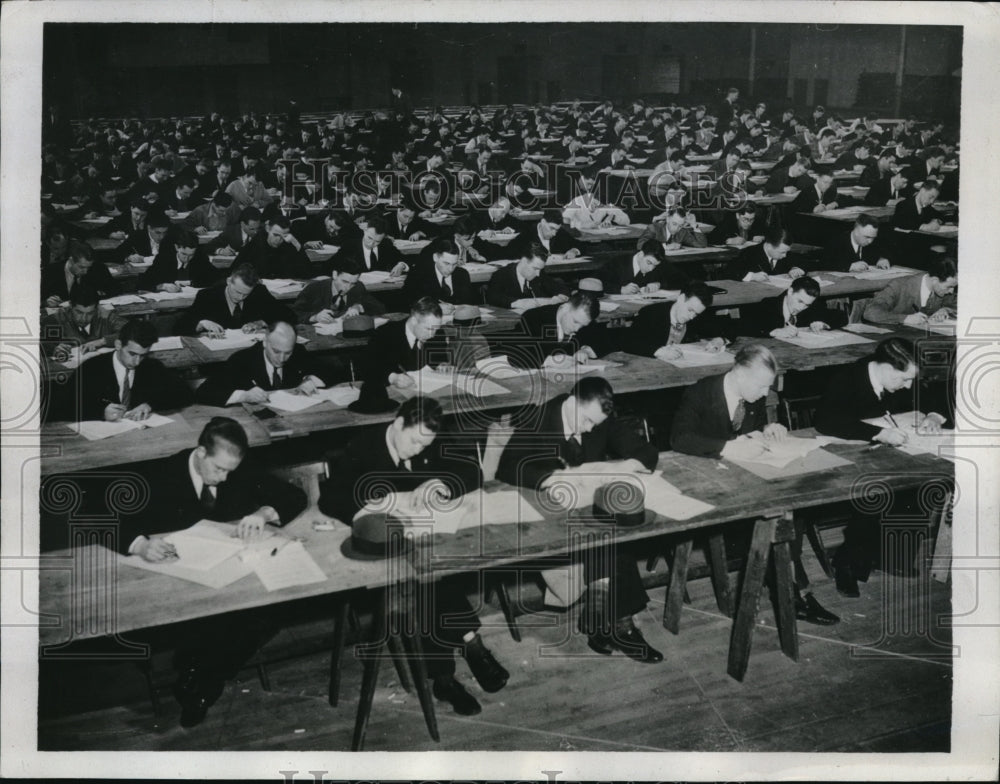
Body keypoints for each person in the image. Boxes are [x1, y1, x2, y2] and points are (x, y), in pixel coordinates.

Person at [318, 396, 508, 715]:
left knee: (429, 574)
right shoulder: (363, 447)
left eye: (425, 444)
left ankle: (447, 676)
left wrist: (442, 482)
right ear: (397, 425)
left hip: (422, 540)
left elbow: (471, 472)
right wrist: (381, 504)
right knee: (428, 578)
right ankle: (466, 647)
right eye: (414, 441)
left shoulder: (430, 438)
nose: (419, 449)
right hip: (380, 550)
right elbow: (331, 499)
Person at [118, 417, 307, 726]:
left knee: (271, 613)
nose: (223, 478)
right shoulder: (162, 473)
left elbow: (294, 496)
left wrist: (263, 513)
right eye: (219, 470)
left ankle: (200, 678)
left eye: (230, 471)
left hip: (225, 578)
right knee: (225, 626)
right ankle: (202, 677)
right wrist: (139, 544)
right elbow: (109, 517)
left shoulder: (234, 468)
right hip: (176, 581)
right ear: (201, 453)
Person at [669, 344, 839, 626]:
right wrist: (729, 448)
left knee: (791, 508)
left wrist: (767, 430)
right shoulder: (701, 392)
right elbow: (680, 438)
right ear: (740, 374)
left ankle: (792, 585)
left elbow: (753, 427)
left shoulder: (754, 394)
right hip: (709, 482)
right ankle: (793, 590)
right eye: (762, 386)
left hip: (746, 475)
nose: (764, 394)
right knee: (777, 519)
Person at [496, 376, 664, 663]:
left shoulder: (598, 417)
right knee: (605, 530)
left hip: (586, 511)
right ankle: (617, 622)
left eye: (594, 425)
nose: (589, 429)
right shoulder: (539, 418)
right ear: (572, 402)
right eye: (586, 421)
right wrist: (551, 478)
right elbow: (507, 468)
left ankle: (606, 614)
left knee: (609, 525)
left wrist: (628, 465)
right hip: (546, 512)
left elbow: (647, 452)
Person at [813, 338, 948, 597]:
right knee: (876, 491)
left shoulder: (900, 374)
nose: (909, 385)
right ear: (887, 368)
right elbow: (826, 421)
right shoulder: (847, 378)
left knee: (920, 481)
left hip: (890, 451)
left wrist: (933, 415)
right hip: (849, 452)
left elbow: (933, 394)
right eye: (904, 380)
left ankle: (892, 557)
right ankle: (848, 563)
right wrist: (878, 433)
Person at [50, 318, 191, 423]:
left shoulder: (151, 367)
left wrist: (150, 404)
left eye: (143, 355)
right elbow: (63, 406)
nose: (136, 362)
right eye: (132, 354)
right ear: (118, 345)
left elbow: (184, 392)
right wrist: (100, 411)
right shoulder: (92, 368)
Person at [350, 296, 451, 413]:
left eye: (436, 329)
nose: (433, 334)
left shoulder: (437, 333)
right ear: (413, 320)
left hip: (430, 396)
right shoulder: (386, 334)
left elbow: (439, 358)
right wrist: (392, 377)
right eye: (428, 329)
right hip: (393, 399)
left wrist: (442, 365)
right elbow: (367, 367)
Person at [196, 321, 326, 407]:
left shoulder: (298, 353)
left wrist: (311, 380)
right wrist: (243, 396)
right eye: (276, 351)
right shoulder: (242, 360)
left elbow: (333, 372)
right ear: (265, 342)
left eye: (287, 353)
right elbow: (204, 392)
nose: (281, 359)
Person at [505, 290, 615, 368]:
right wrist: (549, 361)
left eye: (582, 325)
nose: (577, 329)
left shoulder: (583, 319)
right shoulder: (533, 318)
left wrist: (585, 351)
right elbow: (515, 352)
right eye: (575, 321)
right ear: (564, 308)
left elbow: (606, 340)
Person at [178, 263, 295, 335]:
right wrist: (201, 323)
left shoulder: (258, 292)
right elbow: (180, 327)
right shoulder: (208, 296)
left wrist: (261, 322)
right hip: (218, 359)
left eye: (245, 294)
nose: (240, 297)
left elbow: (289, 315)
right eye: (237, 292)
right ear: (229, 281)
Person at [626, 282, 729, 359]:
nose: (692, 316)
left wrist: (720, 340)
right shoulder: (651, 313)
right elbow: (629, 342)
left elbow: (730, 327)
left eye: (696, 313)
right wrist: (658, 351)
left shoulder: (697, 316)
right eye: (690, 310)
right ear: (681, 298)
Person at [737, 275, 848, 338]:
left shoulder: (810, 307)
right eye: (799, 301)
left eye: (807, 304)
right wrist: (772, 332)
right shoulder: (768, 306)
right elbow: (741, 326)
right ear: (790, 291)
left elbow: (842, 316)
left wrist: (823, 324)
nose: (801, 308)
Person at [42, 284, 126, 361]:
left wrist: (102, 341)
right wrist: (53, 349)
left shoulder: (105, 316)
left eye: (90, 313)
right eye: (79, 312)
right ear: (70, 305)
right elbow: (41, 344)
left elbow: (131, 331)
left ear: (97, 308)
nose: (83, 319)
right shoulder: (56, 320)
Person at [863, 258, 957, 326]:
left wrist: (945, 310)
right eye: (949, 287)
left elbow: (958, 304)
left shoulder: (942, 288)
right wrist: (905, 319)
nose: (951, 292)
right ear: (935, 280)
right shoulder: (899, 286)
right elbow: (870, 312)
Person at [291, 256, 385, 323]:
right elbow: (294, 314)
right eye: (344, 281)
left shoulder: (358, 287)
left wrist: (359, 307)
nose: (347, 288)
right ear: (335, 274)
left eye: (352, 283)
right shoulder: (314, 289)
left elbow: (380, 308)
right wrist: (314, 317)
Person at [484, 242, 570, 309]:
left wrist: (560, 297)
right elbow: (493, 297)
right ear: (524, 261)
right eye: (535, 268)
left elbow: (560, 288)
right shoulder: (502, 275)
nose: (538, 274)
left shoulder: (539, 273)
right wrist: (518, 303)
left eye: (540, 269)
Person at [42, 239, 121, 306]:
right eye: (81, 267)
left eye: (88, 267)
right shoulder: (51, 271)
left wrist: (97, 295)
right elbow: (39, 298)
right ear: (71, 261)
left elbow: (115, 289)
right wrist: (46, 302)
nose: (86, 271)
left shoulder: (98, 268)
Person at [401, 237, 475, 308]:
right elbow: (408, 302)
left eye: (454, 264)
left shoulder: (462, 275)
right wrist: (435, 308)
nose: (450, 269)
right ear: (435, 257)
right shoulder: (418, 275)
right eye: (446, 263)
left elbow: (468, 304)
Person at [234, 214, 312, 279]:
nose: (278, 240)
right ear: (268, 229)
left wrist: (296, 243)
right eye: (275, 235)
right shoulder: (256, 244)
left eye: (283, 236)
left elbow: (308, 273)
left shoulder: (287, 243)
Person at [139, 229, 221, 290]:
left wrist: (190, 282)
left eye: (191, 255)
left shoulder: (199, 257)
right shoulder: (163, 259)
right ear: (176, 247)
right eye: (184, 254)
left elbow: (216, 278)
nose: (187, 259)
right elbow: (143, 282)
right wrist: (163, 286)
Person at [603, 239, 687, 294]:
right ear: (641, 255)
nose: (651, 269)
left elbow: (682, 279)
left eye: (655, 265)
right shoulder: (619, 263)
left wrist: (659, 284)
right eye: (649, 263)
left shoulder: (658, 262)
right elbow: (598, 283)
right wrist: (621, 289)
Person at [724, 226, 806, 282]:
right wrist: (752, 276)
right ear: (769, 246)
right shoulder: (750, 253)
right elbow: (729, 272)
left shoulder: (785, 253)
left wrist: (796, 269)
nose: (785, 255)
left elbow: (805, 262)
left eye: (787, 252)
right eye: (782, 252)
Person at [334, 215, 407, 276]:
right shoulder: (349, 246)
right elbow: (332, 265)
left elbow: (404, 258)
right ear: (365, 230)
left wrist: (401, 265)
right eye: (369, 238)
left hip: (381, 289)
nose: (372, 244)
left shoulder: (386, 244)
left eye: (377, 241)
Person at [822, 214, 893, 272]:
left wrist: (882, 259)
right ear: (856, 232)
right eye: (867, 237)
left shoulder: (873, 241)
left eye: (873, 238)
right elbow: (824, 264)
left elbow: (888, 253)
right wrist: (850, 266)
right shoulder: (837, 242)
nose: (870, 241)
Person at [636, 206, 708, 251]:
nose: (677, 228)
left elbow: (702, 244)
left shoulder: (682, 232)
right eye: (674, 224)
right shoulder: (654, 228)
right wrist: (665, 247)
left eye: (680, 225)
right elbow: (640, 245)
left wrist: (694, 225)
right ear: (667, 219)